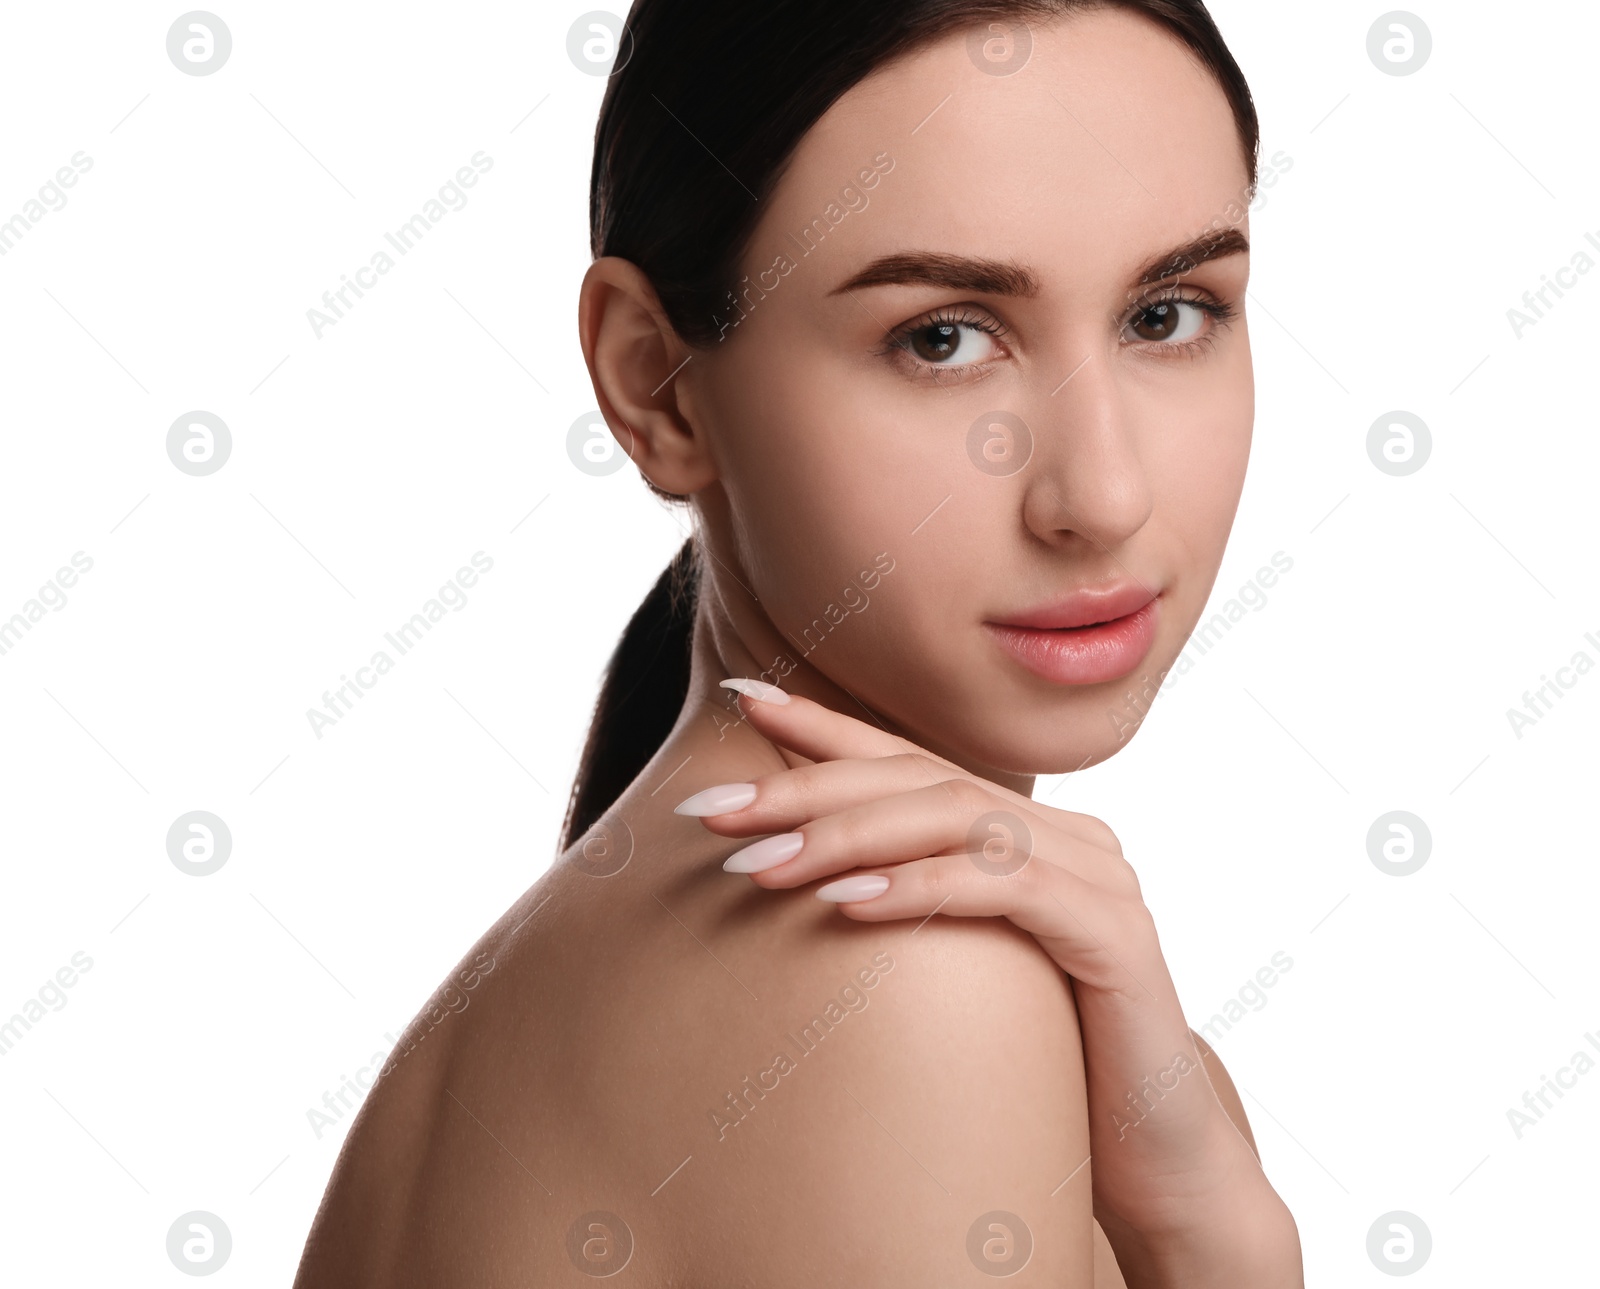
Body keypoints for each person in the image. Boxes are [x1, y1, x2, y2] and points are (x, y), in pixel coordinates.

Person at [294, 2, 1303, 1283]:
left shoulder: (635, 941)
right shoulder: (906, 987)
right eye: (941, 337)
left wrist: (1209, 1219)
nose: (1101, 496)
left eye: (1167, 313)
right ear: (656, 382)